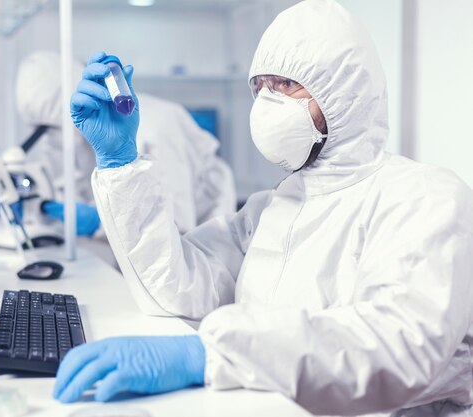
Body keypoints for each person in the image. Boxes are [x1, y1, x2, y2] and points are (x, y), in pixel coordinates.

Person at [51, 0, 473, 416]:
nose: (268, 102)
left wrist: (211, 354)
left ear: (343, 92)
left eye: (286, 85)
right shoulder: (270, 209)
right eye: (261, 87)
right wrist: (121, 164)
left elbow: (396, 346)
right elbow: (178, 287)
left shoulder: (423, 197)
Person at [15, 51, 236, 239]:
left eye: (52, 128)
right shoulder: (70, 134)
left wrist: (98, 223)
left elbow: (175, 226)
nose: (52, 139)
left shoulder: (156, 128)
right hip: (133, 248)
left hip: (202, 239)